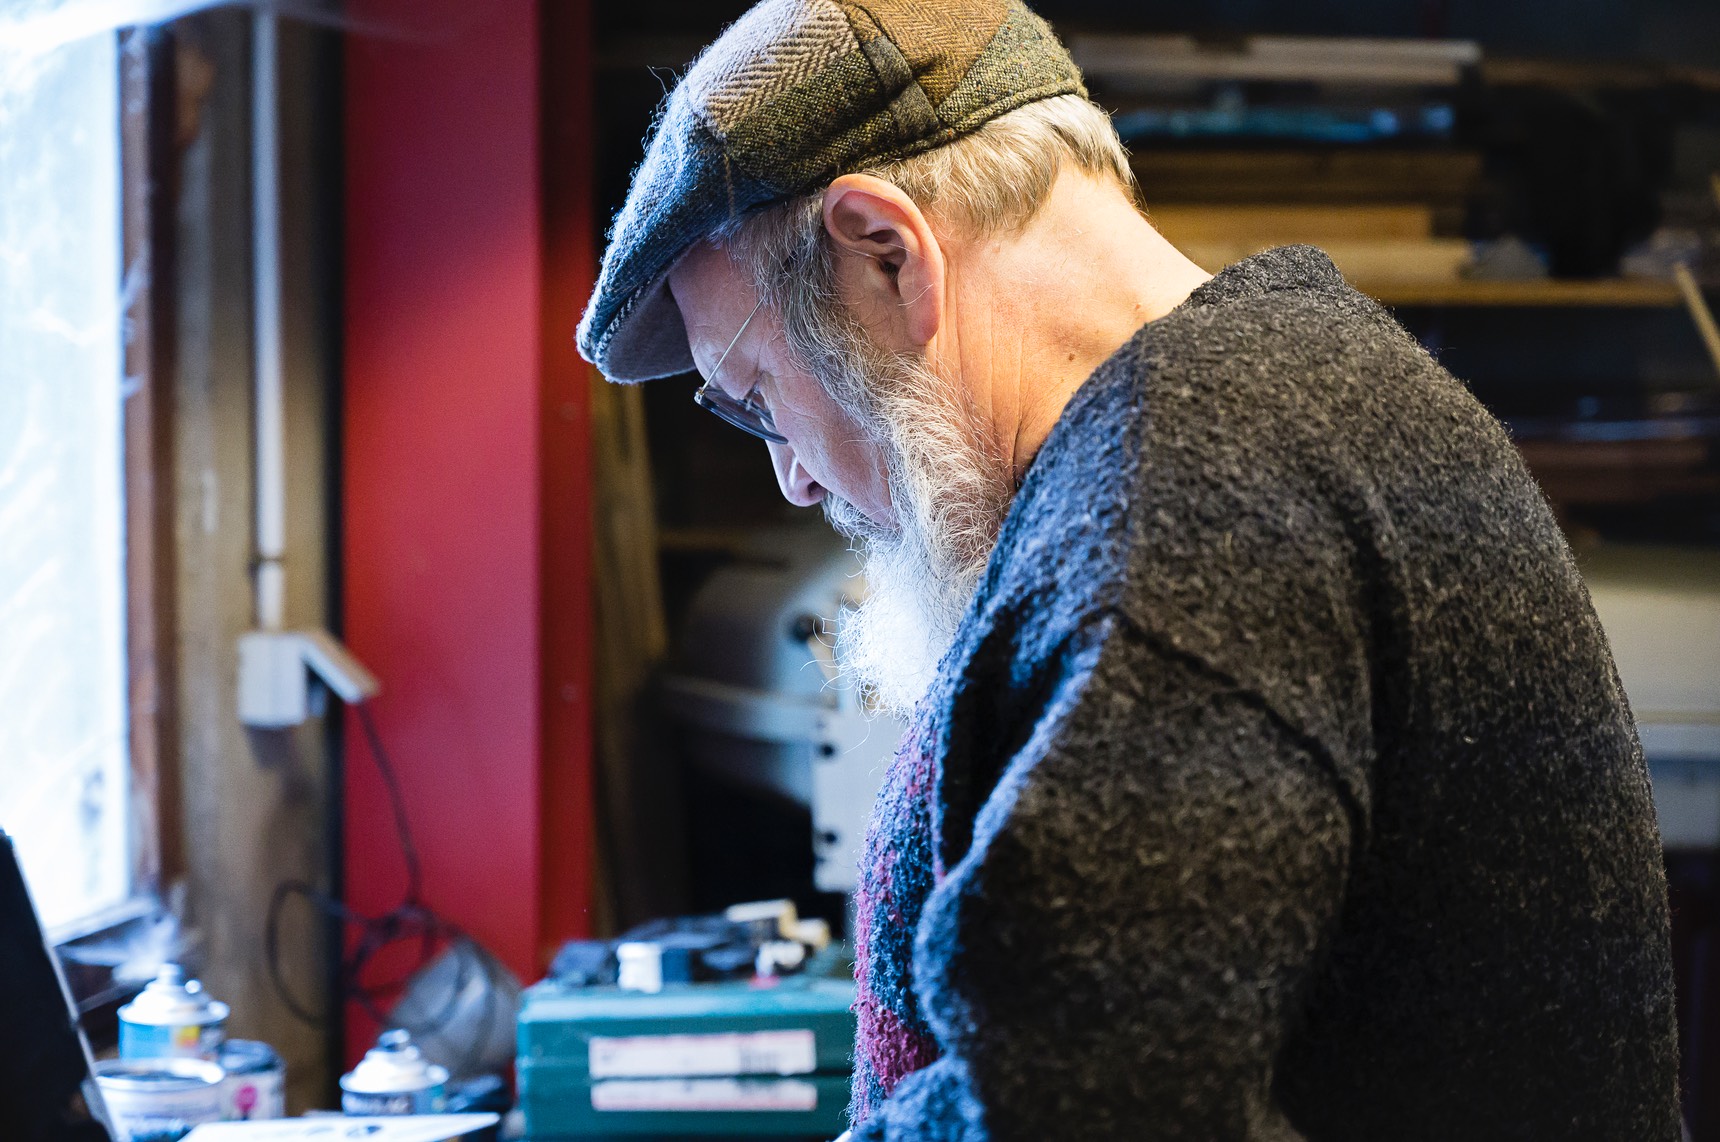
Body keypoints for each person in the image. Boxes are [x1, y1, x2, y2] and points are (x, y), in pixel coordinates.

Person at [576, 2, 1682, 1138]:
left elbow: (1082, 1101)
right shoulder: (1266, 410)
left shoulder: (1198, 487)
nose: (794, 481)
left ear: (887, 255)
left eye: (758, 398)